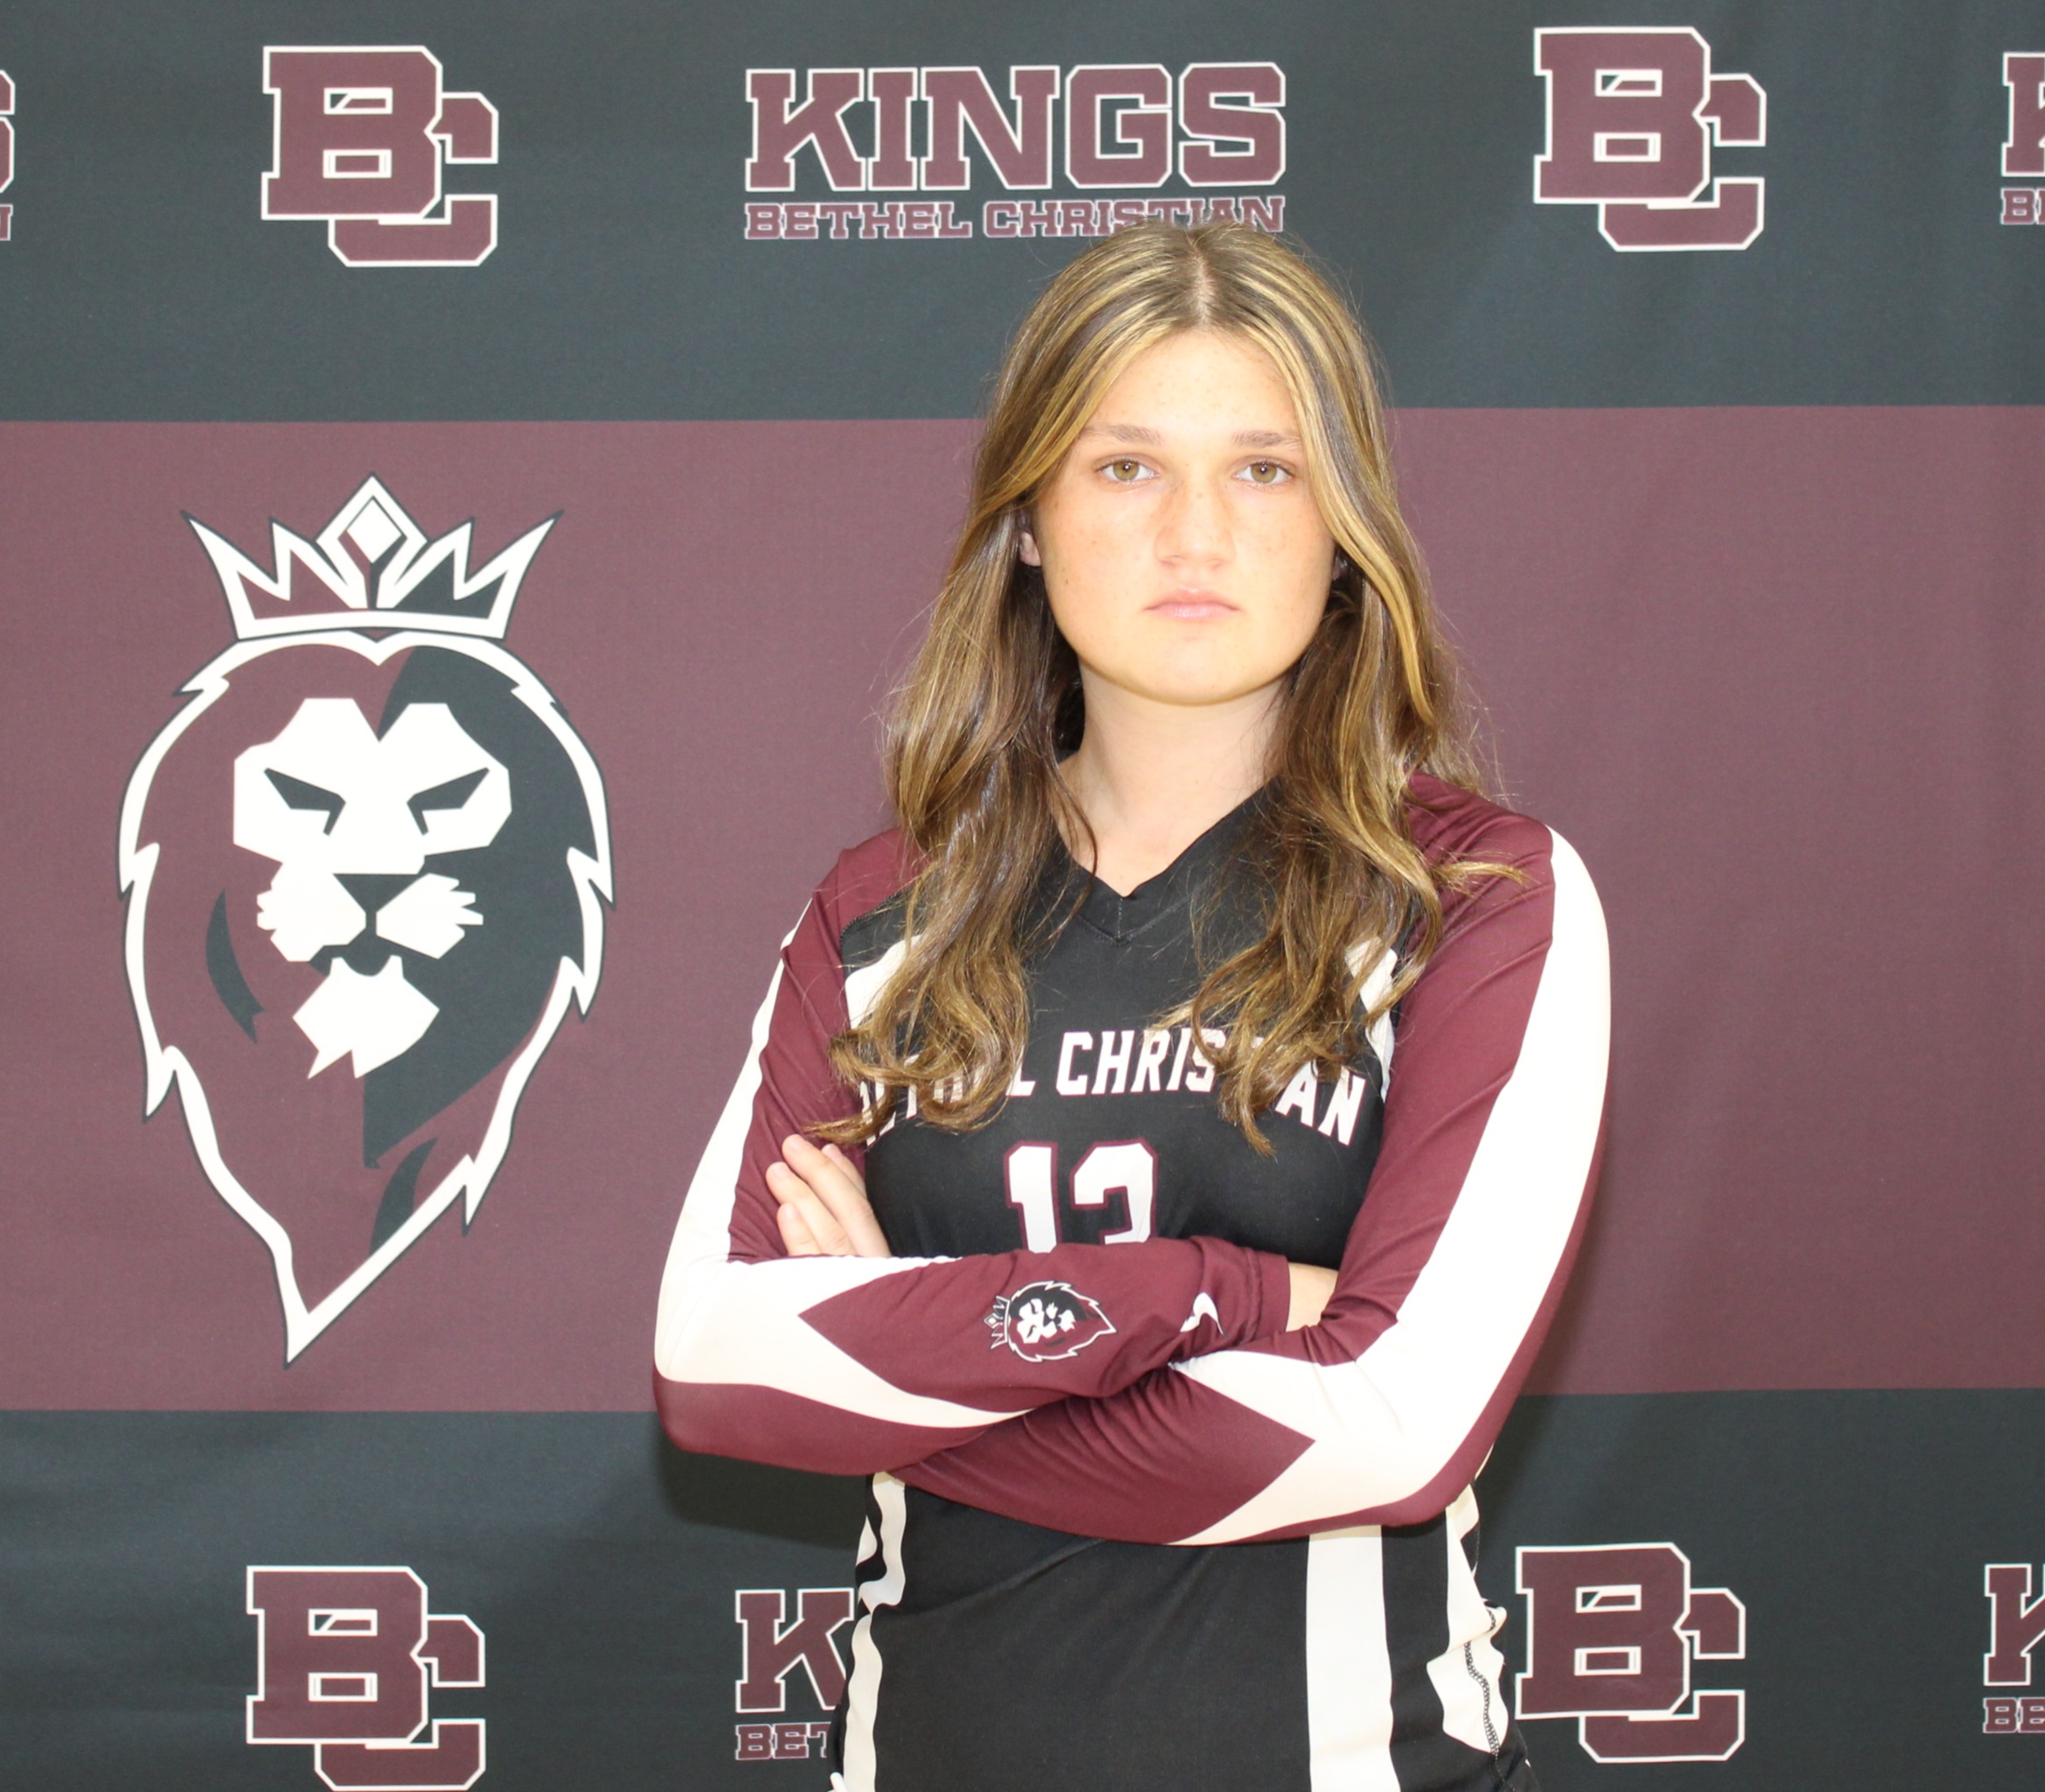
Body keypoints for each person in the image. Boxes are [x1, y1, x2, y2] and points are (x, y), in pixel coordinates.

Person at [653, 221, 1606, 1792]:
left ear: (1345, 525)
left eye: (1264, 470)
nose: (1195, 534)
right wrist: (1224, 1291)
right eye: (1125, 467)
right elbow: (714, 1361)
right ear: (1029, 518)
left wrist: (904, 1352)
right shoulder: (885, 912)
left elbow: (1398, 1424)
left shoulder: (1474, 899)